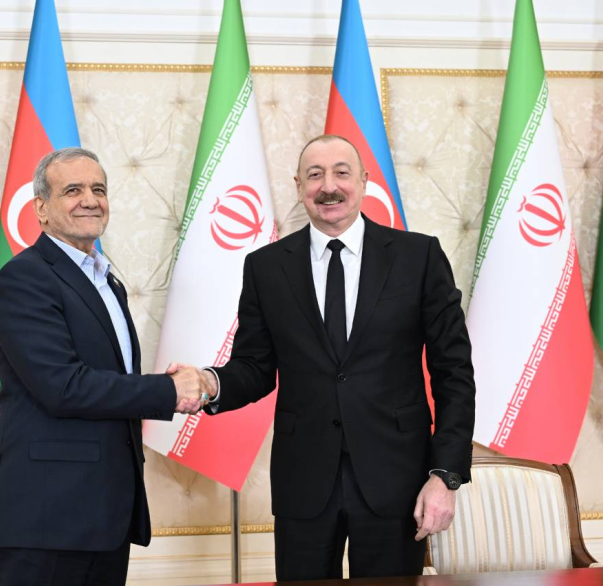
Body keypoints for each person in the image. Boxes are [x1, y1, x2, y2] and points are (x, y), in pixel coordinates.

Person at [176, 134, 475, 580]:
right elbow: (255, 367)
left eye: (341, 173)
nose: (329, 186)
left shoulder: (418, 257)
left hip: (396, 481)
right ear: (299, 186)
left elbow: (454, 374)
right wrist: (210, 383)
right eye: (315, 175)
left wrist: (445, 475)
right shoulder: (266, 267)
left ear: (364, 181)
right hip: (304, 483)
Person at [0, 147, 214, 586]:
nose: (90, 200)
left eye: (98, 189)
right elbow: (63, 386)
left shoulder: (106, 281)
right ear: (41, 208)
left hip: (104, 517)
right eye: (73, 190)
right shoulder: (24, 277)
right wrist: (168, 390)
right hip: (44, 519)